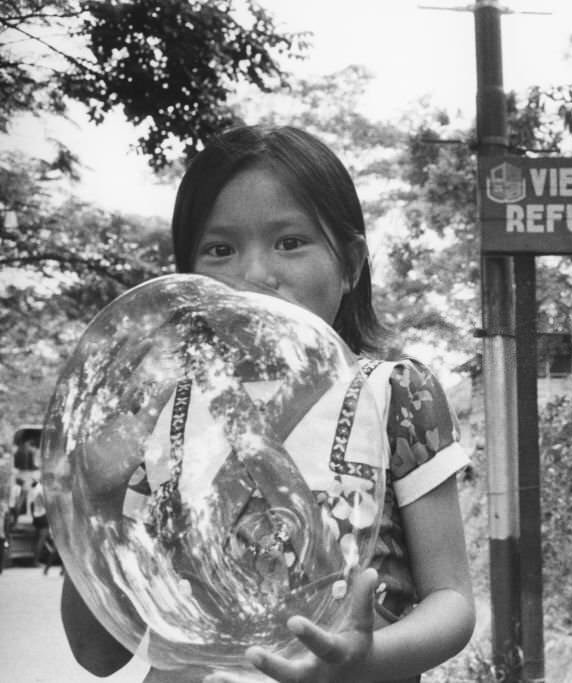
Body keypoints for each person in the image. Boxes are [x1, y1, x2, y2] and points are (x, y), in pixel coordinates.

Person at [60, 124, 475, 683]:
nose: (254, 276)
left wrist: (365, 660)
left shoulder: (396, 394)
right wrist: (97, 496)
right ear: (187, 279)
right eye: (220, 249)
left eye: (289, 242)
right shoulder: (155, 417)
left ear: (350, 263)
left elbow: (451, 601)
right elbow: (98, 654)